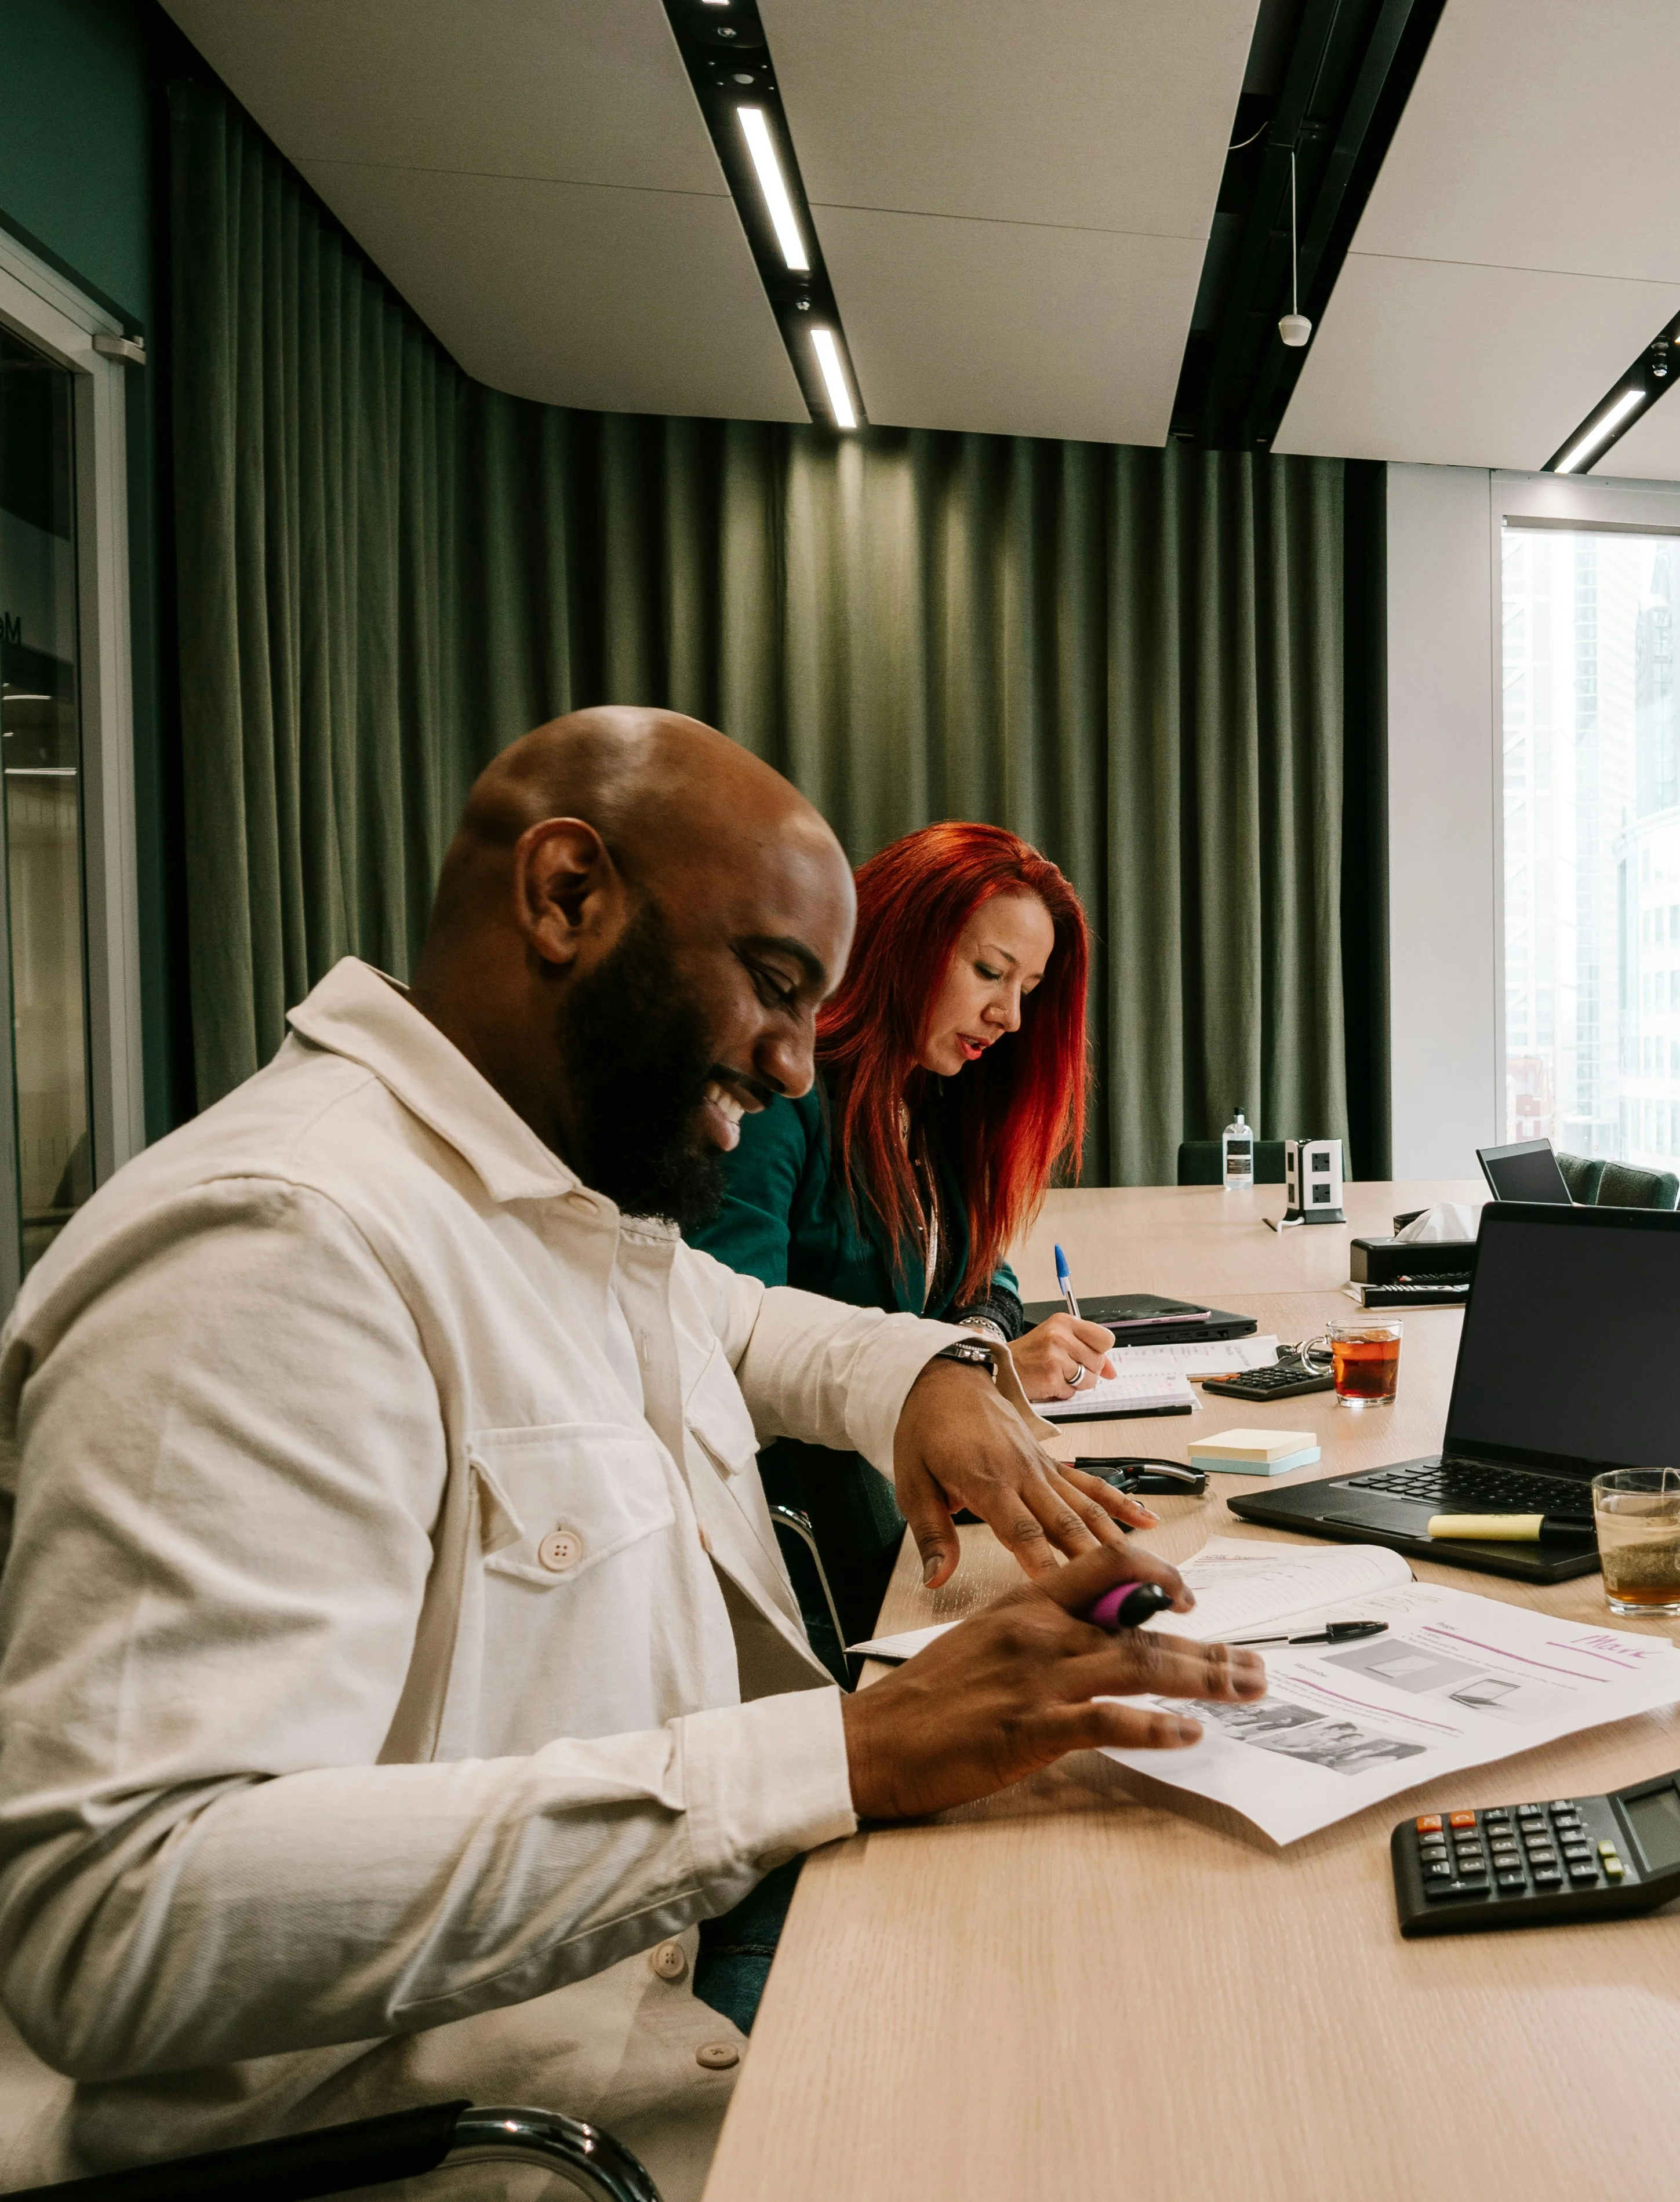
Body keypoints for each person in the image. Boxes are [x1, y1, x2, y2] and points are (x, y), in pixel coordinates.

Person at [0, 709, 1265, 2197]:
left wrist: (926, 1369)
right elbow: (117, 1917)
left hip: (659, 1955)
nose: (801, 1064)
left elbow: (740, 1320)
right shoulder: (277, 1241)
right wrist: (842, 1751)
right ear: (565, 898)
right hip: (503, 2114)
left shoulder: (548, 1198)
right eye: (777, 985)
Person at [695, 822, 1123, 1659]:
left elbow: (986, 1275)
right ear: (896, 941)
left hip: (897, 1516)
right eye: (989, 972)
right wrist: (939, 1379)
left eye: (1029, 987)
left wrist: (974, 1352)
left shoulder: (935, 1098)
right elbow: (726, 1334)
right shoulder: (784, 1095)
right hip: (802, 1553)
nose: (1008, 1015)